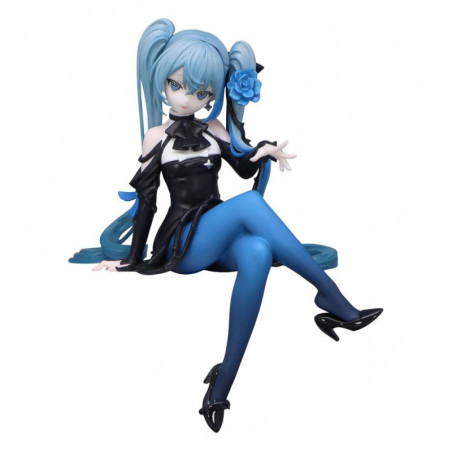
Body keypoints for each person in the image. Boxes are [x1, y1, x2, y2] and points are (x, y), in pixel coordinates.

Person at [70, 19, 383, 432]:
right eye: (177, 85)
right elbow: (148, 203)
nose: (188, 98)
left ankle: (220, 388)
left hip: (218, 235)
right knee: (250, 205)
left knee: (258, 250)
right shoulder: (156, 137)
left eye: (201, 92)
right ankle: (334, 300)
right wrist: (132, 258)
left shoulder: (214, 129)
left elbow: (242, 167)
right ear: (161, 80)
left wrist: (260, 150)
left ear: (213, 93)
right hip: (183, 241)